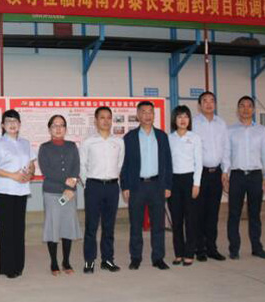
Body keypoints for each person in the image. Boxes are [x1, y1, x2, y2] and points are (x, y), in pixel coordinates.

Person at [120, 100, 173, 271]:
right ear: (138, 115)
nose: (147, 115)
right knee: (135, 225)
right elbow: (124, 164)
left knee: (158, 225)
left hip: (157, 185)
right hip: (137, 186)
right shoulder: (129, 138)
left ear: (154, 115)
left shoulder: (162, 136)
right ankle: (135, 258)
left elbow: (168, 162)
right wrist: (125, 186)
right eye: (143, 112)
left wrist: (167, 185)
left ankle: (158, 258)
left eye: (150, 112)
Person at [0, 109, 36, 279]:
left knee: (19, 229)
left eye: (15, 121)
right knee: (6, 230)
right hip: (4, 191)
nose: (12, 124)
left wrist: (30, 173)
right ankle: (7, 267)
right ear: (3, 125)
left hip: (21, 191)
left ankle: (18, 265)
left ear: (20, 124)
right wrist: (12, 175)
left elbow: (32, 165)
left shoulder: (25, 143)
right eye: (8, 121)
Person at [224, 96, 265, 260]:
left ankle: (257, 248)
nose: (245, 109)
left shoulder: (262, 130)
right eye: (242, 106)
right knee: (234, 214)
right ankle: (234, 249)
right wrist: (225, 173)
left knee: (255, 214)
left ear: (253, 109)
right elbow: (226, 154)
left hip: (255, 176)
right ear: (238, 109)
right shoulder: (230, 130)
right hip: (237, 176)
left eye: (249, 106)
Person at [79, 106, 125, 274]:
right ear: (96, 121)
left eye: (108, 117)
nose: (106, 121)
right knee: (91, 226)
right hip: (94, 186)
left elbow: (120, 164)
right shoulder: (88, 142)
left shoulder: (119, 142)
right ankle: (89, 261)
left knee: (109, 226)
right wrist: (87, 184)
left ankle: (107, 260)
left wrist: (114, 179)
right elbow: (82, 165)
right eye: (102, 117)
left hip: (112, 187)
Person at [37, 114, 81, 276]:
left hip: (70, 193)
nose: (58, 128)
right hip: (52, 192)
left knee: (68, 226)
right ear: (49, 129)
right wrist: (66, 181)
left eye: (61, 125)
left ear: (65, 129)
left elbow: (76, 166)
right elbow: (46, 171)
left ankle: (66, 261)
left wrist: (71, 185)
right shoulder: (44, 148)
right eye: (54, 125)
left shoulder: (72, 146)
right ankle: (54, 262)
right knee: (53, 227)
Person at [192, 91, 229, 262]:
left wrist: (226, 170)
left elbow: (226, 148)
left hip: (217, 174)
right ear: (199, 105)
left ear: (215, 104)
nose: (208, 104)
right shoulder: (194, 123)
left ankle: (212, 248)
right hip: (199, 174)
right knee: (199, 212)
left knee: (213, 213)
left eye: (212, 101)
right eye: (205, 101)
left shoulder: (221, 123)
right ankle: (199, 248)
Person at [168, 106, 202, 266]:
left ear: (189, 120)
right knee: (176, 220)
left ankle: (189, 253)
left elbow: (199, 162)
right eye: (179, 117)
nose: (183, 120)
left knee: (191, 219)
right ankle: (179, 253)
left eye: (186, 117)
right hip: (174, 181)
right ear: (174, 120)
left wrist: (196, 184)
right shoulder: (169, 138)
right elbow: (166, 163)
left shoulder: (195, 138)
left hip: (190, 180)